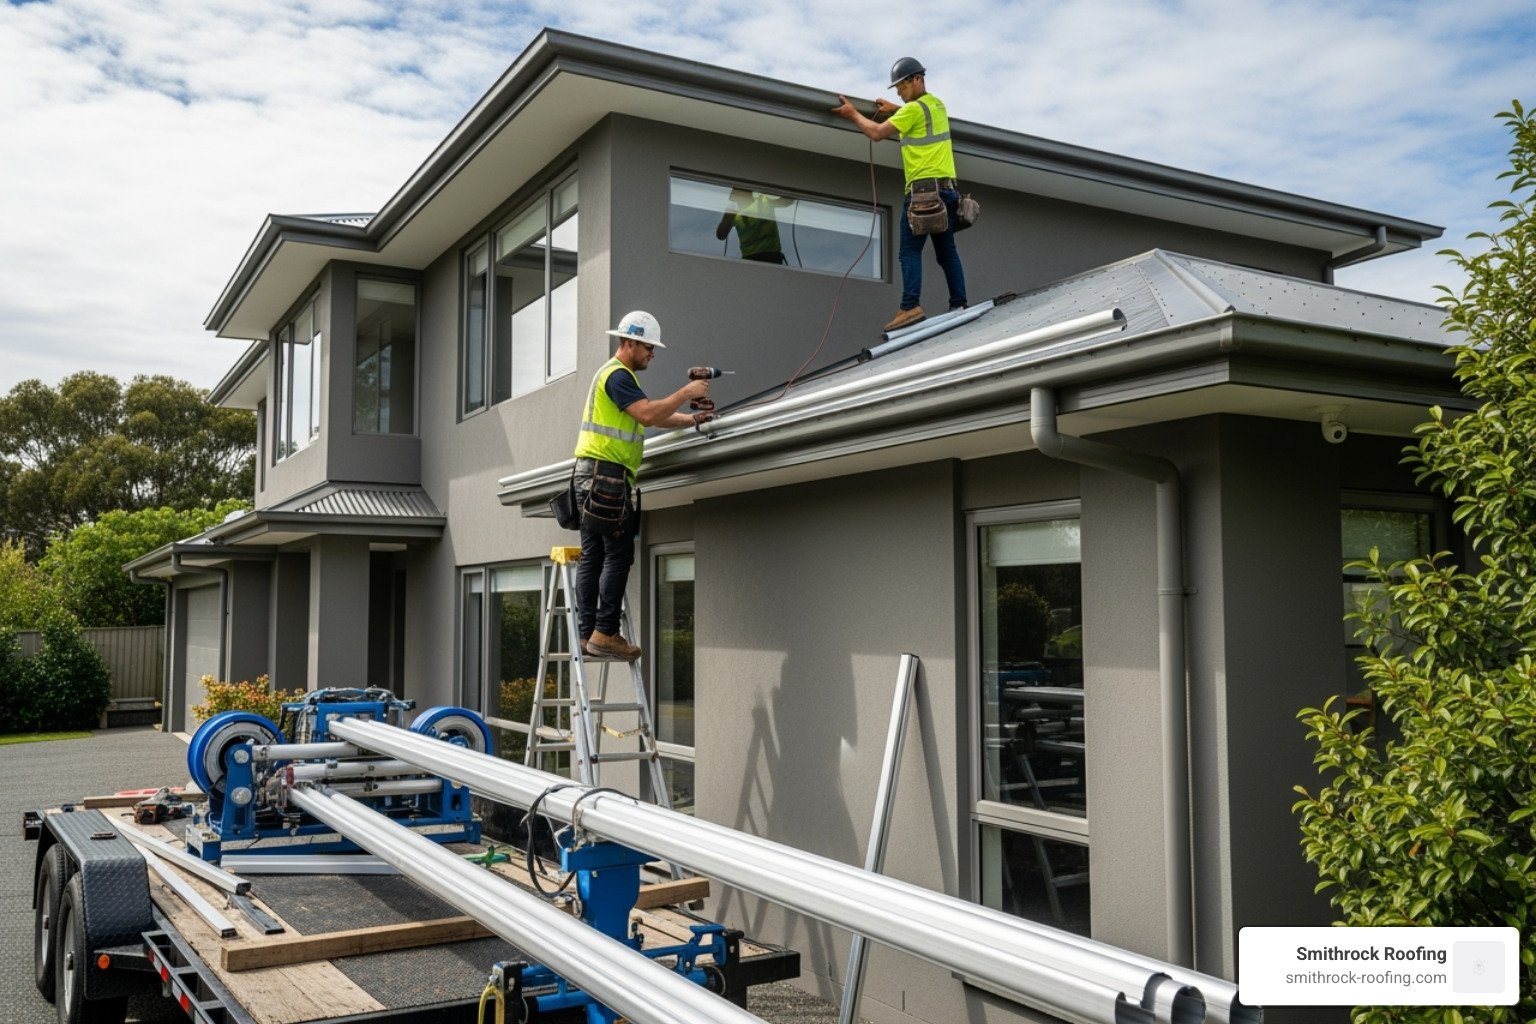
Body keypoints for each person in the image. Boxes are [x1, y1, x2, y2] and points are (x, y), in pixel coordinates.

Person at [572, 310, 712, 662]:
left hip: (590, 476)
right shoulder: (618, 376)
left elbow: (652, 415)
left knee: (594, 557)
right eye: (649, 347)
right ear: (630, 342)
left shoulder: (615, 377)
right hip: (607, 478)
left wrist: (692, 419)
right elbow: (649, 414)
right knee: (618, 554)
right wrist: (687, 391)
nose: (652, 354)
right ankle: (605, 633)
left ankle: (588, 634)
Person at [832, 57, 967, 332]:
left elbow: (877, 133)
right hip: (947, 192)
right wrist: (896, 109)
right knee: (946, 253)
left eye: (901, 86)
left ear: (917, 79)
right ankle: (959, 304)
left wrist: (853, 114)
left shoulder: (913, 110)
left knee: (908, 252)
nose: (898, 92)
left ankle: (909, 306)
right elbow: (917, 115)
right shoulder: (936, 105)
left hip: (923, 194)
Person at [716, 187, 793, 264]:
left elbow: (787, 201)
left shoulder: (762, 201)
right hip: (755, 257)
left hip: (767, 256)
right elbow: (721, 235)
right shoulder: (735, 214)